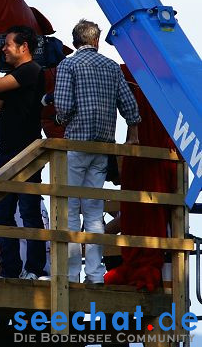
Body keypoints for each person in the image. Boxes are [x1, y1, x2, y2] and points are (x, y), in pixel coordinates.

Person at [53, 19, 140, 284]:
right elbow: (130, 106)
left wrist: (59, 119)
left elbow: (64, 107)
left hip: (76, 145)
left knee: (69, 211)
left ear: (75, 40)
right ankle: (95, 274)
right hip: (103, 148)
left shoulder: (68, 64)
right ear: (96, 41)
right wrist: (132, 131)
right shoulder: (112, 67)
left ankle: (70, 275)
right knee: (93, 213)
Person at [0, 25, 46, 281]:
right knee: (2, 213)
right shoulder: (14, 75)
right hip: (6, 151)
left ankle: (36, 269)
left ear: (23, 47)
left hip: (26, 150)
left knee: (29, 210)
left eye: (7, 44)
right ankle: (11, 269)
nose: (3, 48)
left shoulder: (31, 70)